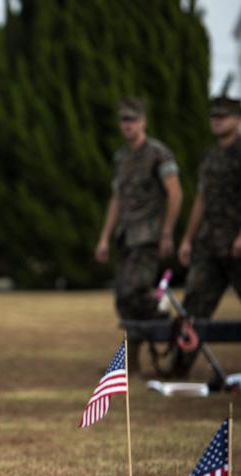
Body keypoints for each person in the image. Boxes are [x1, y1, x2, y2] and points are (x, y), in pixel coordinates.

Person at [95, 98, 183, 370]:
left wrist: (167, 233)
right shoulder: (121, 158)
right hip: (127, 237)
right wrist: (104, 238)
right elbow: (117, 199)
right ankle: (130, 362)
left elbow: (175, 193)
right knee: (124, 297)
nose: (128, 125)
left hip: (149, 236)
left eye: (133, 120)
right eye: (124, 120)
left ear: (143, 122)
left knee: (134, 290)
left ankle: (169, 323)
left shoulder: (158, 153)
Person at [171, 93, 241, 382]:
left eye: (222, 116)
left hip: (237, 246)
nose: (216, 121)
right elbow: (201, 199)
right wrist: (187, 238)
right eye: (213, 116)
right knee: (194, 306)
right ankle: (179, 367)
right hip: (210, 244)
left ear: (237, 120)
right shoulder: (211, 155)